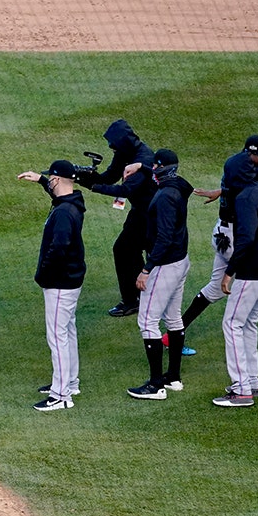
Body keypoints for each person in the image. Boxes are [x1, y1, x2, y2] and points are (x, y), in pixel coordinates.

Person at [187, 135, 258, 364]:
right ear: (250, 153)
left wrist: (220, 191)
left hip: (224, 231)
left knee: (215, 288)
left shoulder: (237, 164)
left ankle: (174, 333)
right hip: (234, 237)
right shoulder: (243, 172)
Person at [123, 149, 192, 400]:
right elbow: (178, 181)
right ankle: (173, 378)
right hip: (180, 261)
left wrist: (146, 269)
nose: (152, 170)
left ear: (160, 169)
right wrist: (141, 166)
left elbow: (163, 238)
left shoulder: (165, 197)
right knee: (173, 318)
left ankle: (155, 385)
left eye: (154, 167)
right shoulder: (180, 186)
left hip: (164, 265)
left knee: (147, 321)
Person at [18, 161, 86, 412]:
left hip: (60, 282)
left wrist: (43, 274)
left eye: (51, 178)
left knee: (57, 338)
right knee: (67, 332)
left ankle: (61, 395)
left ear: (57, 180)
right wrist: (41, 180)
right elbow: (58, 194)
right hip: (71, 279)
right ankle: (70, 382)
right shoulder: (72, 202)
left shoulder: (63, 213)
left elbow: (58, 248)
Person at [74, 119, 155, 318]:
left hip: (152, 214)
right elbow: (110, 177)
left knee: (128, 250)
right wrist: (84, 177)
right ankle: (139, 296)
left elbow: (125, 190)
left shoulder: (144, 157)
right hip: (140, 211)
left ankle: (133, 300)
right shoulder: (124, 153)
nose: (111, 147)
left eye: (114, 144)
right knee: (129, 251)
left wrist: (93, 187)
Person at [213, 176, 258, 407]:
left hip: (253, 272)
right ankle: (252, 382)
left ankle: (241, 390)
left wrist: (229, 272)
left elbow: (246, 238)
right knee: (249, 322)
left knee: (232, 324)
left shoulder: (244, 198)